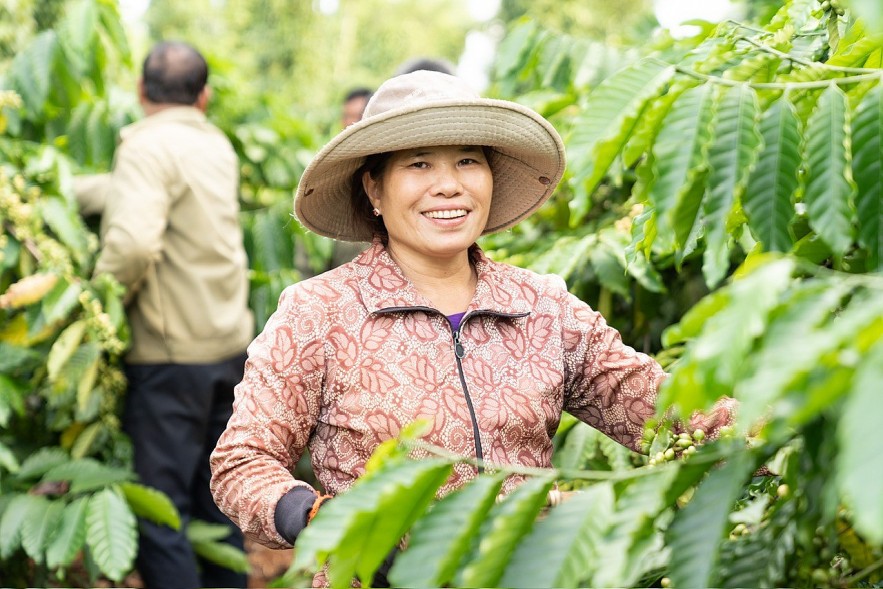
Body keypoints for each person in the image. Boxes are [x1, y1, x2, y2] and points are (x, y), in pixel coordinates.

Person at [209, 71, 735, 586]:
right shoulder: (318, 312)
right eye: (418, 164)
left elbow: (657, 405)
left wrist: (783, 419)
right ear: (375, 188)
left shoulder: (542, 306)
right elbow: (242, 462)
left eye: (467, 161)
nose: (449, 186)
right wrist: (323, 518)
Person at [74, 41, 253, 589]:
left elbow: (130, 246)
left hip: (170, 358)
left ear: (139, 90)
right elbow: (166, 198)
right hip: (225, 345)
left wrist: (96, 307)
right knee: (217, 498)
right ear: (204, 96)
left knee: (161, 512)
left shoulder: (145, 147)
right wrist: (78, 191)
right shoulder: (214, 144)